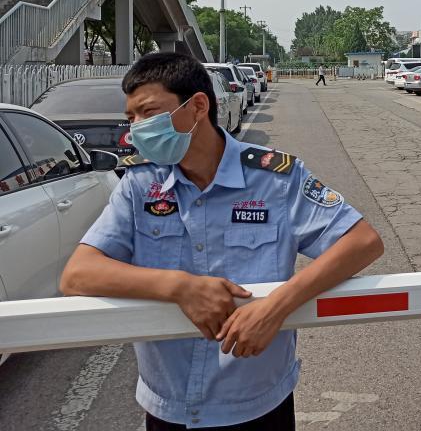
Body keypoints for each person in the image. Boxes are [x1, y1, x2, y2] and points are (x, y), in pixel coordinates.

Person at [60, 53, 383, 430]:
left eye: (148, 113)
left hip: (256, 401)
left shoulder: (275, 179)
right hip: (168, 403)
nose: (136, 130)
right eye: (131, 118)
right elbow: (78, 274)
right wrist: (178, 286)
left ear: (197, 106)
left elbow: (363, 241)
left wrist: (276, 306)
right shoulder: (140, 185)